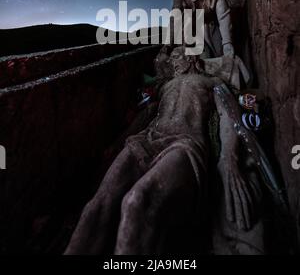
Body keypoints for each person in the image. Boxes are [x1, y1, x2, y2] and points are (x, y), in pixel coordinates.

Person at [64, 48, 260, 255]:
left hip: (184, 144)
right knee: (95, 207)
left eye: (177, 57)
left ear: (192, 59)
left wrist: (228, 158)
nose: (173, 62)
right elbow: (147, 111)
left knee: (136, 202)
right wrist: (120, 140)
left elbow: (230, 117)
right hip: (147, 139)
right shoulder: (166, 85)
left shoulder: (213, 83)